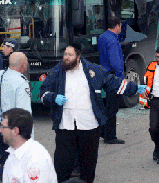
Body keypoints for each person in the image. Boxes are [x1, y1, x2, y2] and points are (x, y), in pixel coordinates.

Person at [40, 43, 145, 183]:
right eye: (65, 54)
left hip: (89, 126)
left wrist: (134, 88)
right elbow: (44, 91)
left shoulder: (93, 70)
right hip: (65, 126)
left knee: (88, 165)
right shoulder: (57, 71)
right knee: (62, 164)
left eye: (70, 55)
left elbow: (113, 83)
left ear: (78, 56)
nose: (66, 58)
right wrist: (52, 98)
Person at [0, 52, 31, 177]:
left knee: (6, 162)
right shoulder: (21, 82)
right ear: (23, 65)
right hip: (14, 132)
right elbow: (25, 113)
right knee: (15, 167)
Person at [0, 108, 57, 183]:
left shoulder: (35, 159)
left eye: (3, 127)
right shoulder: (14, 152)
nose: (0, 130)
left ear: (15, 131)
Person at [97, 17, 125, 144]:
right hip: (113, 76)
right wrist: (121, 78)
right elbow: (116, 62)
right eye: (120, 26)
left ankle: (103, 131)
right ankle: (110, 136)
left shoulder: (102, 37)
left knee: (107, 106)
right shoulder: (113, 41)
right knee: (112, 108)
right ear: (117, 26)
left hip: (103, 75)